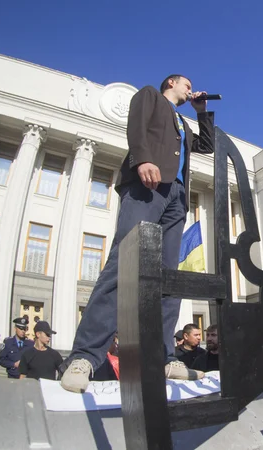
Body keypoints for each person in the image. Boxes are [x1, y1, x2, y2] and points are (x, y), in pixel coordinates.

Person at [60, 74, 214, 393]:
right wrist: (142, 158)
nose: (191, 88)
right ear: (171, 83)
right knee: (124, 264)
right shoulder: (150, 97)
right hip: (147, 186)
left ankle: (163, 357)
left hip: (176, 195)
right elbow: (136, 125)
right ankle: (85, 356)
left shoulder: (182, 123)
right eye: (187, 85)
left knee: (169, 277)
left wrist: (201, 112)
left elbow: (207, 146)